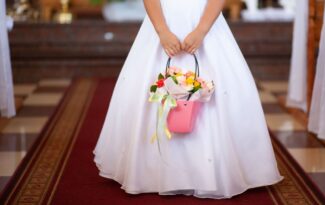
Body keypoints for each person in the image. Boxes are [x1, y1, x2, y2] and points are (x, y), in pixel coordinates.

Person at [93, 0, 283, 199]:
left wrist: (201, 30)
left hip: (205, 23)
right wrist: (162, 31)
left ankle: (210, 171)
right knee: (152, 88)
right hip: (163, 22)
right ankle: (152, 172)